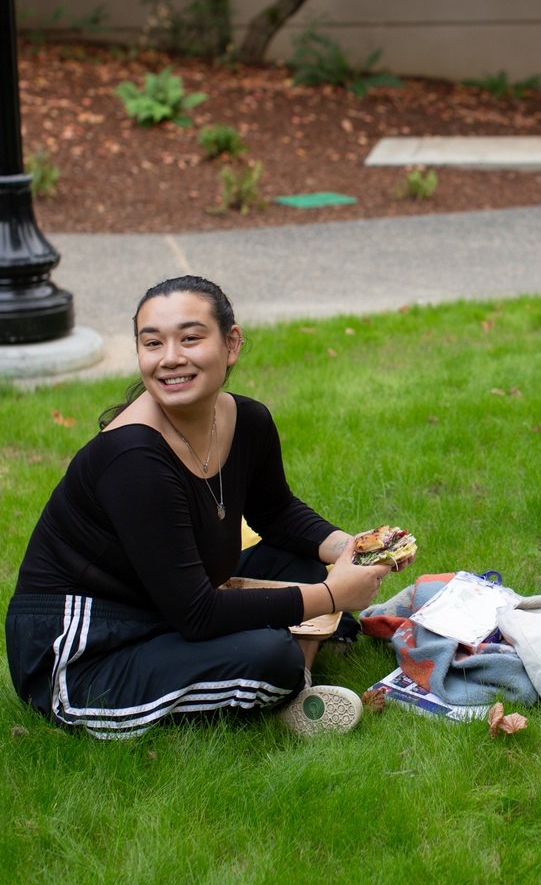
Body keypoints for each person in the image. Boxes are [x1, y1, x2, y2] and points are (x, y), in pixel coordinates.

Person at [5, 275, 406, 739]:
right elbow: (196, 614)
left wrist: (350, 550)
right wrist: (335, 597)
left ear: (231, 342)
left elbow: (276, 514)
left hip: (166, 602)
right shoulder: (133, 456)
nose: (170, 358)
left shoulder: (247, 420)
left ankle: (294, 667)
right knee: (271, 656)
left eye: (190, 338)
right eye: (152, 343)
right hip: (87, 653)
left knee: (309, 567)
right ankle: (291, 679)